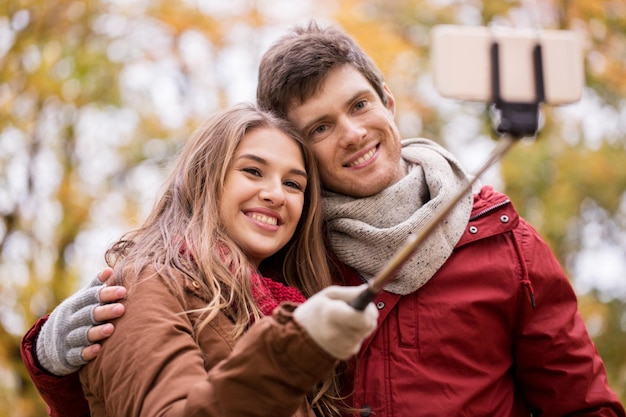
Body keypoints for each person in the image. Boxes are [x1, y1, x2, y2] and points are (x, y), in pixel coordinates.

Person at [22, 21, 626, 416]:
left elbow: (583, 406)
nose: (354, 133)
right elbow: (167, 380)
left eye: (360, 105)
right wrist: (59, 368)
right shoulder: (281, 257)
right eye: (320, 128)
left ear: (388, 102)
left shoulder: (504, 243)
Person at [23, 102, 379, 417]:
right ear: (204, 177)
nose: (275, 194)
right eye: (252, 171)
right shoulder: (149, 283)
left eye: (293, 184)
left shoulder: (281, 300)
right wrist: (292, 352)